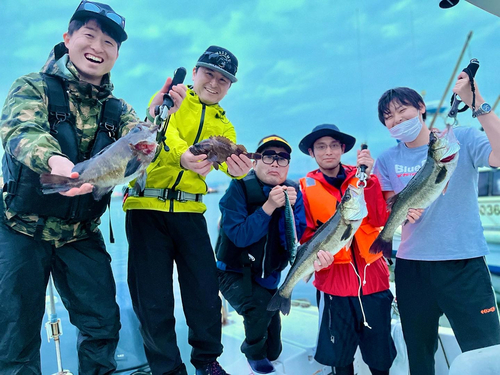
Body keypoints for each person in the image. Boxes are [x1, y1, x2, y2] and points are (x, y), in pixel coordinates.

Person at [0, 1, 185, 374]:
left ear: (117, 55)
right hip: (21, 228)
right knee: (14, 335)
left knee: (102, 326)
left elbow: (146, 146)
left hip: (81, 234)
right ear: (68, 39)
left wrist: (159, 117)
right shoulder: (31, 87)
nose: (98, 47)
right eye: (89, 35)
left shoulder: (120, 110)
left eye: (110, 43)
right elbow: (21, 131)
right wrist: (58, 165)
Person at [123, 45, 253, 375]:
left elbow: (230, 165)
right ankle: (166, 369)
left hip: (191, 212)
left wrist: (238, 169)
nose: (214, 82)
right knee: (153, 299)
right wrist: (183, 156)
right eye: (209, 73)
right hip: (146, 207)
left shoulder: (225, 126)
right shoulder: (171, 97)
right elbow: (158, 135)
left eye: (224, 79)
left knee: (205, 292)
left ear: (230, 86)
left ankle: (207, 361)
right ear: (195, 73)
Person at [374, 78, 500, 375]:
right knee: (418, 354)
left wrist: (477, 103)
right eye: (388, 117)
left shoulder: (462, 138)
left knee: (487, 350)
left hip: (464, 263)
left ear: (420, 108)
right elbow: (390, 206)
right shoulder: (387, 159)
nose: (396, 120)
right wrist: (402, 215)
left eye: (402, 110)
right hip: (411, 269)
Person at [216, 135, 332, 374]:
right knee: (258, 308)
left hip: (268, 276)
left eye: (282, 159)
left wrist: (286, 209)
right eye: (268, 156)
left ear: (288, 165)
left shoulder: (293, 192)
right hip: (233, 273)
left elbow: (292, 240)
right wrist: (268, 207)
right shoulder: (238, 188)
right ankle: (251, 351)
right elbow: (239, 236)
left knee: (274, 349)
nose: (275, 164)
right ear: (255, 161)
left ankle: (261, 344)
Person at [298, 124, 397, 375]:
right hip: (333, 286)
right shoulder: (304, 189)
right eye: (321, 146)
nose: (328, 151)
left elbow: (378, 218)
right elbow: (306, 235)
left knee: (380, 358)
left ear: (343, 149)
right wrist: (316, 259)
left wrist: (371, 178)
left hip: (373, 281)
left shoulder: (364, 178)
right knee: (340, 360)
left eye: (333, 145)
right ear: (312, 152)